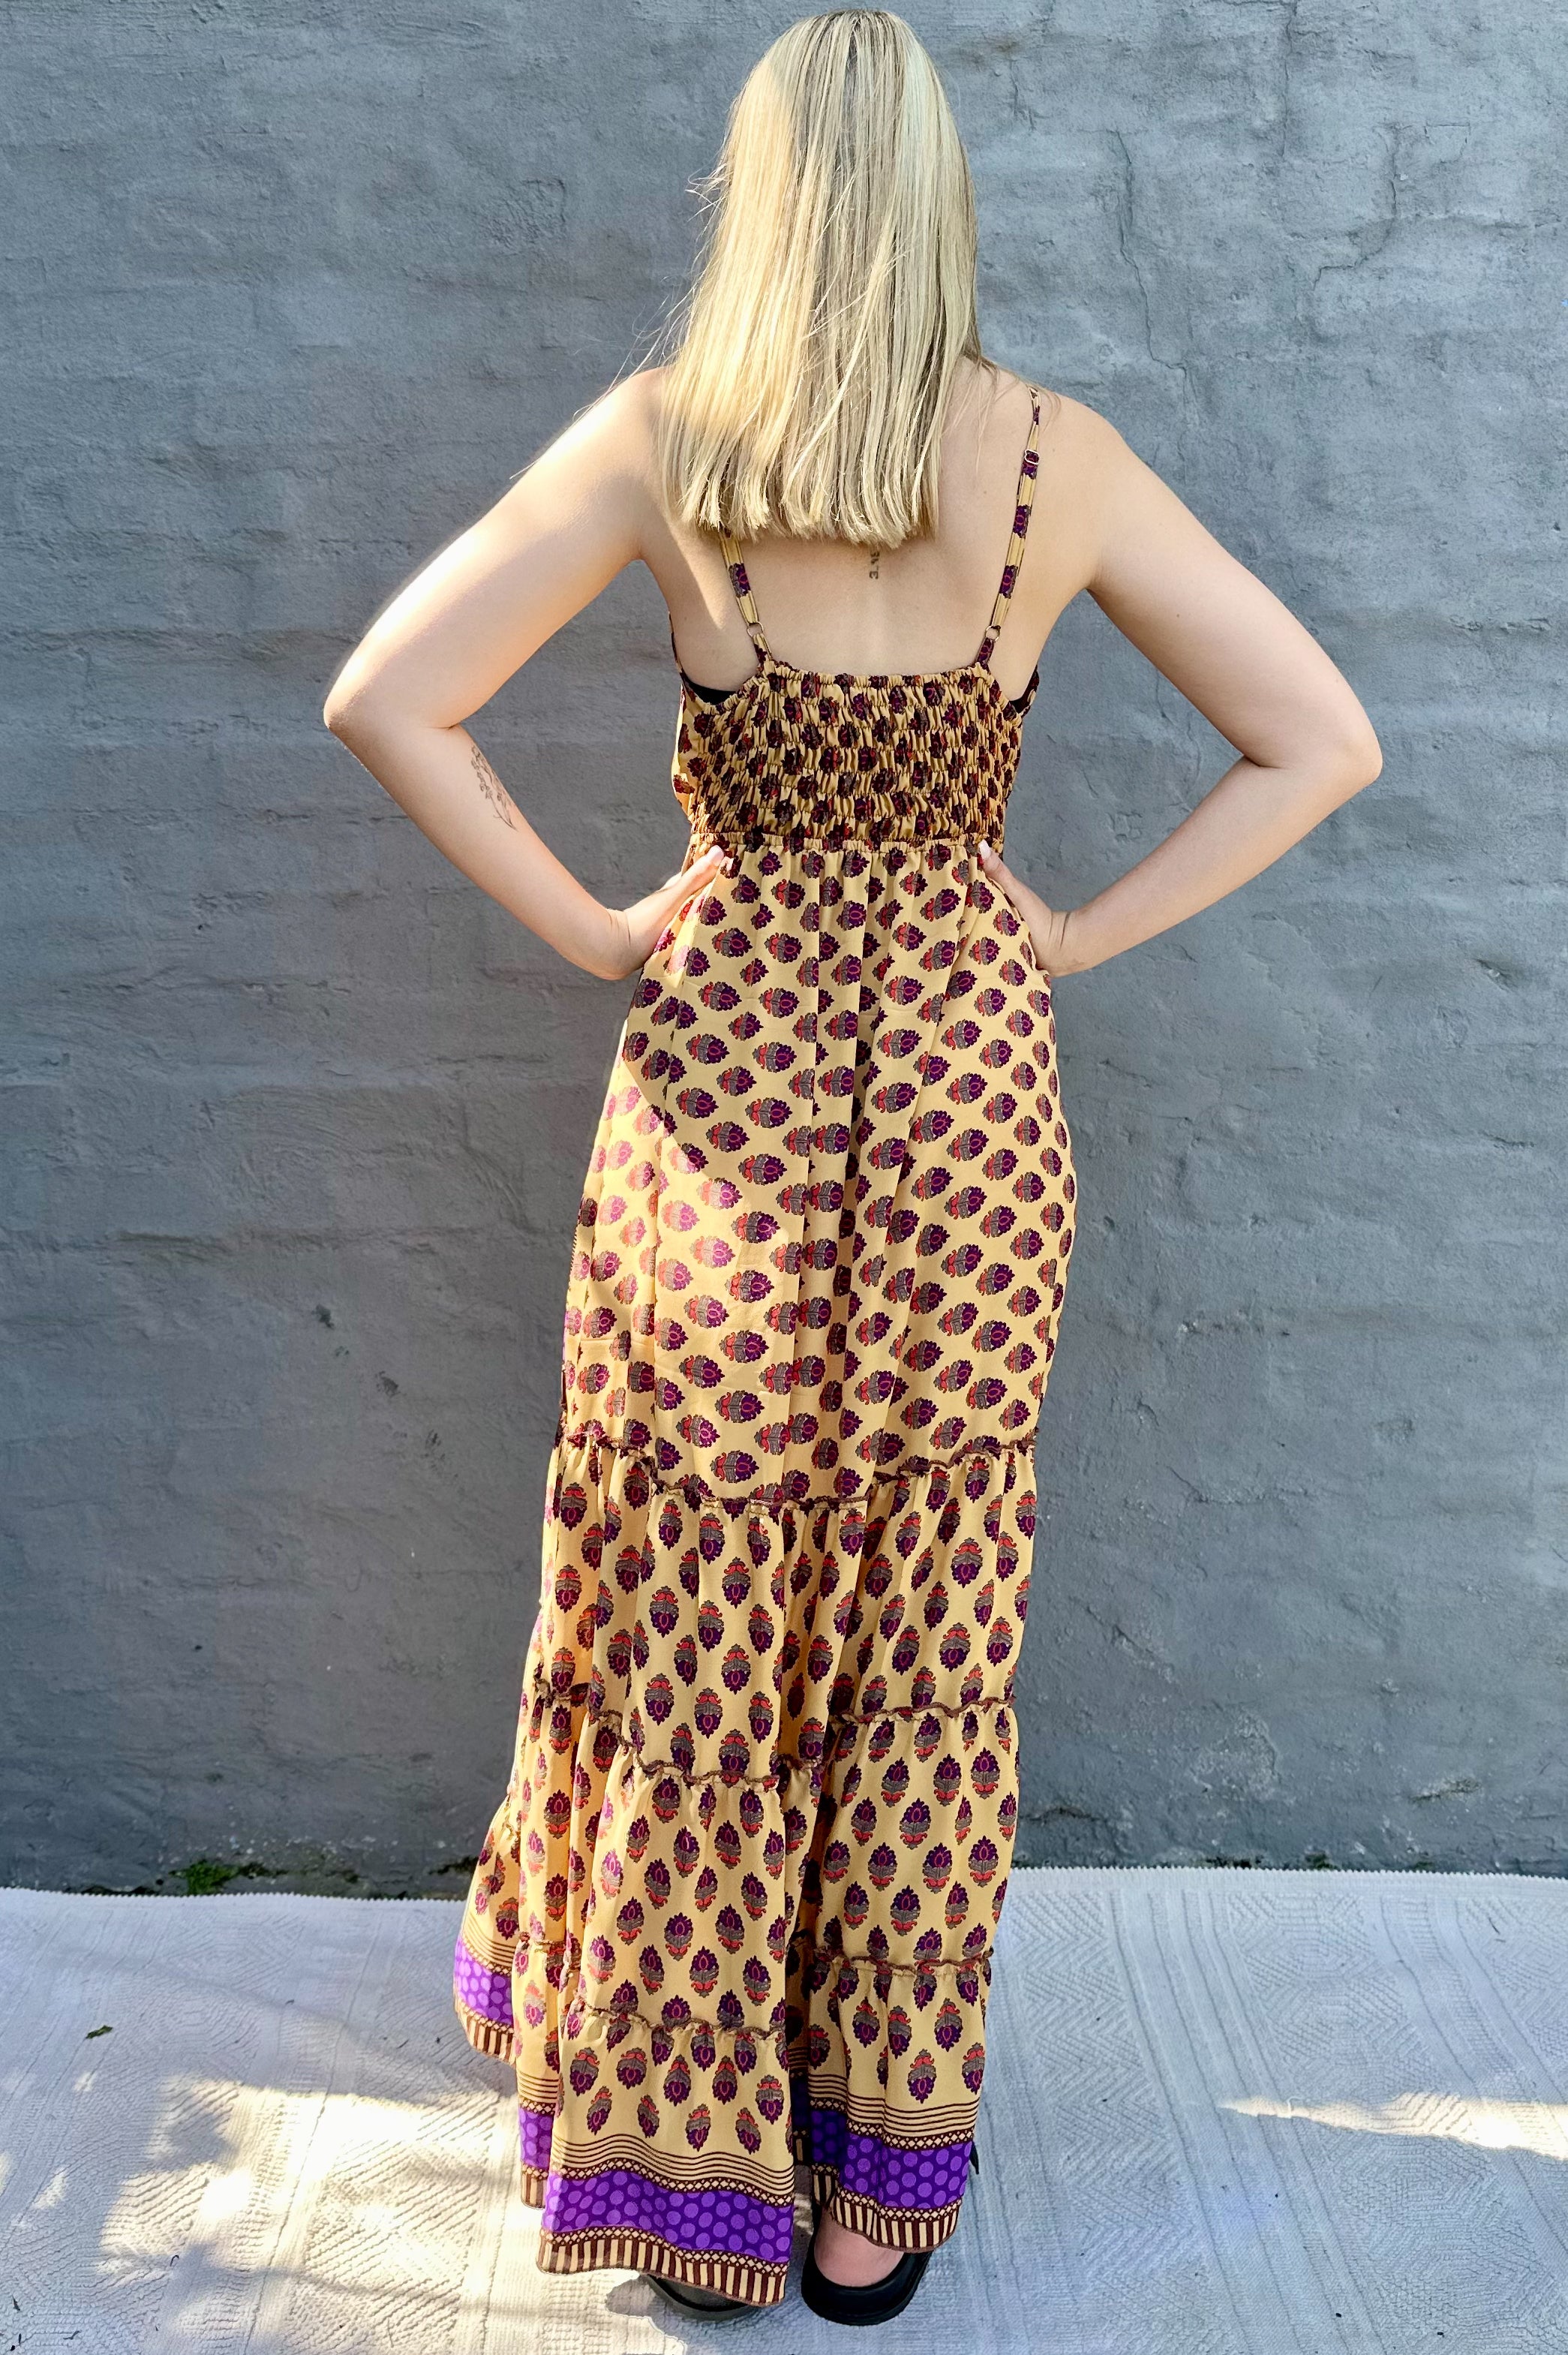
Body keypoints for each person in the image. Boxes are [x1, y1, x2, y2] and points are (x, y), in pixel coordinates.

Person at [323, 8, 1380, 2324]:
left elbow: (387, 690)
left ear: (766, 201)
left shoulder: (664, 446)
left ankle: (677, 2142)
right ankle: (873, 2188)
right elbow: (1319, 736)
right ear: (939, 204)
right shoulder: (1061, 465)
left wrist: (599, 924)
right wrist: (1065, 931)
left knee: (701, 1582)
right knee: (926, 1614)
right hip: (973, 1117)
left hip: (720, 1085)